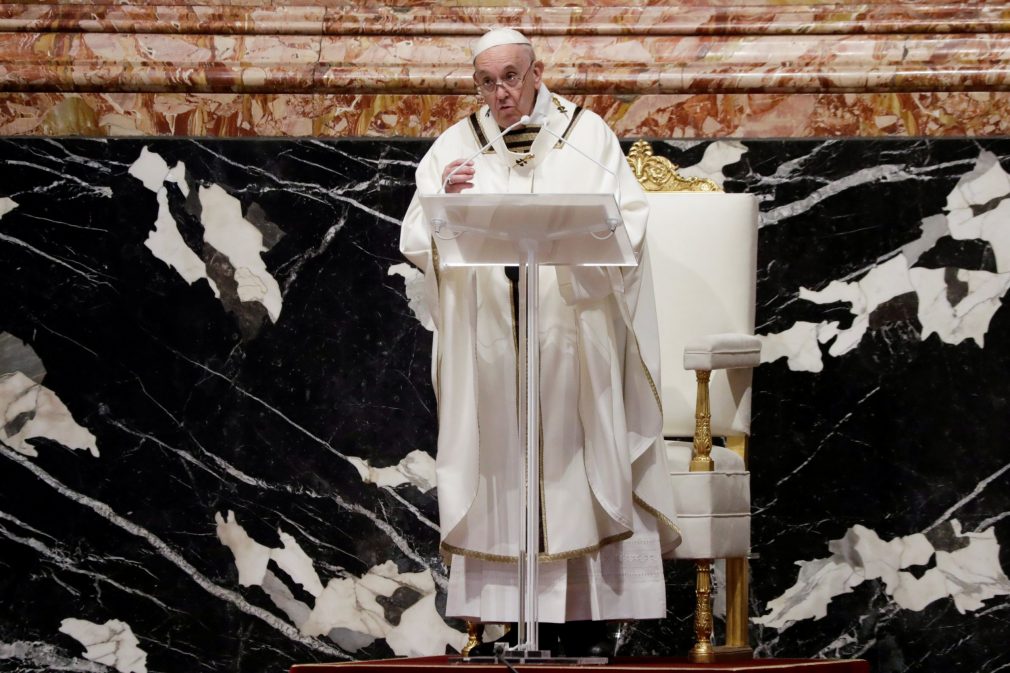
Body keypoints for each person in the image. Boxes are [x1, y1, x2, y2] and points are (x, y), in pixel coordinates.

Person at [400, 28, 680, 639]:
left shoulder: (587, 137)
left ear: (536, 72)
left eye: (511, 76)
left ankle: (583, 618)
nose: (500, 93)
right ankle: (507, 616)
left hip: (572, 336)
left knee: (576, 450)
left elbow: (627, 222)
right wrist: (444, 204)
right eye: (486, 80)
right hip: (493, 345)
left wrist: (583, 236)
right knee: (497, 453)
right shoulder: (456, 146)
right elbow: (419, 232)